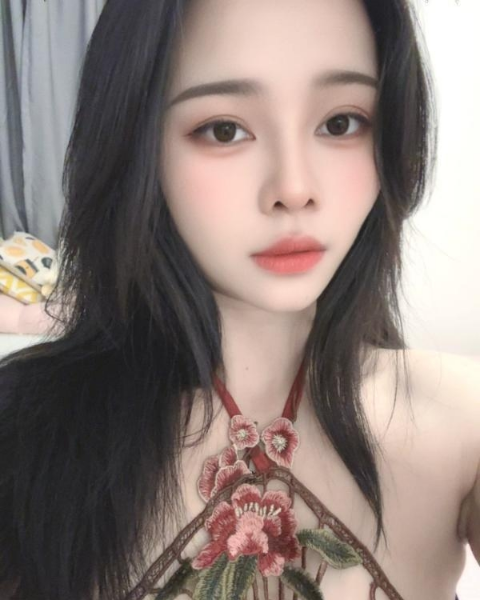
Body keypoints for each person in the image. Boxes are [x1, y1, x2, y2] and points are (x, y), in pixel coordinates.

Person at [0, 0, 478, 599]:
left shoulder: (462, 423)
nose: (294, 189)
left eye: (341, 122)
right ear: (136, 148)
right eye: (224, 129)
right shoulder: (26, 433)